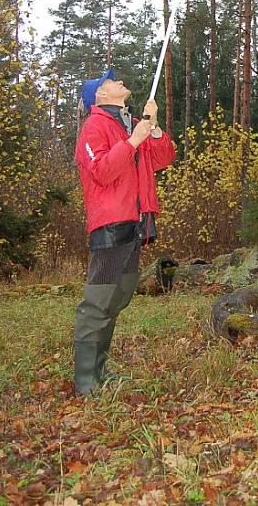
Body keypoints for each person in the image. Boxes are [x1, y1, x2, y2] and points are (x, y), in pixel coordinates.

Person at [73, 68, 176, 396]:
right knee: (98, 302)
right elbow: (102, 171)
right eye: (110, 81)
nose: (119, 81)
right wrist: (133, 140)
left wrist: (153, 127)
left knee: (119, 296)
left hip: (138, 222)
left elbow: (164, 158)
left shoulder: (132, 125)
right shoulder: (94, 127)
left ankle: (100, 370)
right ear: (100, 96)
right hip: (111, 223)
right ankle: (85, 380)